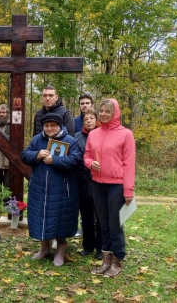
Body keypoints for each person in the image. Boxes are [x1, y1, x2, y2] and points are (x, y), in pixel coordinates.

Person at [83, 98, 136, 277]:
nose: (104, 114)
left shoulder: (126, 134)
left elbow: (129, 164)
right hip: (98, 184)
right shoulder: (94, 134)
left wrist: (128, 190)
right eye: (102, 111)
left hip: (117, 186)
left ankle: (118, 260)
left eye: (108, 111)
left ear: (115, 113)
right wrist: (90, 164)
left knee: (115, 224)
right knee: (103, 225)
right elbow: (87, 155)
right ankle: (106, 259)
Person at [22, 113, 81, 267]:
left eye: (53, 125)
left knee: (60, 218)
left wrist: (54, 160)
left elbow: (75, 160)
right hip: (40, 189)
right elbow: (24, 155)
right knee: (42, 217)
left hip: (62, 189)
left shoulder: (70, 141)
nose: (49, 128)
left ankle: (61, 250)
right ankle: (44, 248)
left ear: (59, 126)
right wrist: (37, 155)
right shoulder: (36, 140)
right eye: (47, 126)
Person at [75, 109, 103, 259]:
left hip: (99, 182)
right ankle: (88, 245)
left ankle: (100, 247)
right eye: (86, 119)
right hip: (82, 181)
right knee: (85, 217)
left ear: (96, 120)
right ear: (83, 121)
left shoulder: (102, 136)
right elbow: (75, 156)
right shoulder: (77, 137)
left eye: (92, 118)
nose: (89, 121)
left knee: (99, 217)